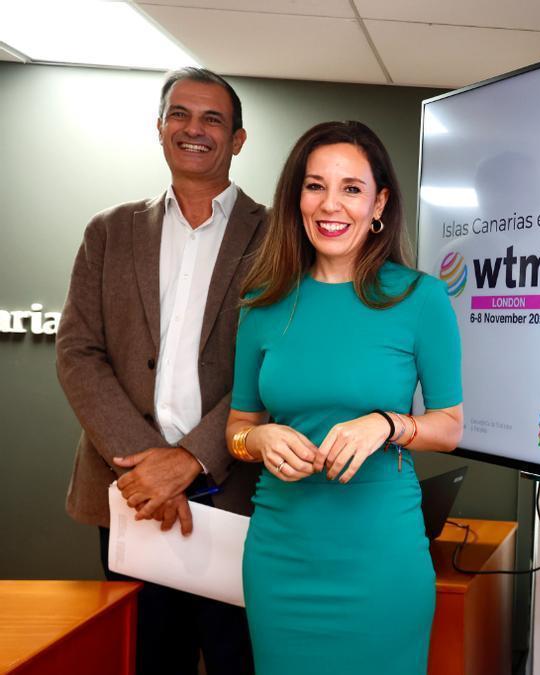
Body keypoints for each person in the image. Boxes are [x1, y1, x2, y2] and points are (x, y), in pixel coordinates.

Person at [224, 121, 464, 674]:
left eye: (351, 188)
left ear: (379, 202)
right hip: (281, 554)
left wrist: (386, 423)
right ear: (297, 198)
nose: (331, 204)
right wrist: (257, 438)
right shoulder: (261, 305)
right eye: (315, 186)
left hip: (382, 555)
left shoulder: (420, 298)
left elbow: (449, 427)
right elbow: (237, 428)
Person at [56, 67, 262, 675]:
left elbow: (280, 365)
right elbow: (77, 353)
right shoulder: (109, 232)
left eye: (212, 119)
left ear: (238, 139)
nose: (193, 129)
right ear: (160, 127)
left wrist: (193, 459)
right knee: (147, 659)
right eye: (180, 115)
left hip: (236, 497)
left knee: (238, 659)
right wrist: (149, 463)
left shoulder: (281, 237)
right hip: (130, 495)